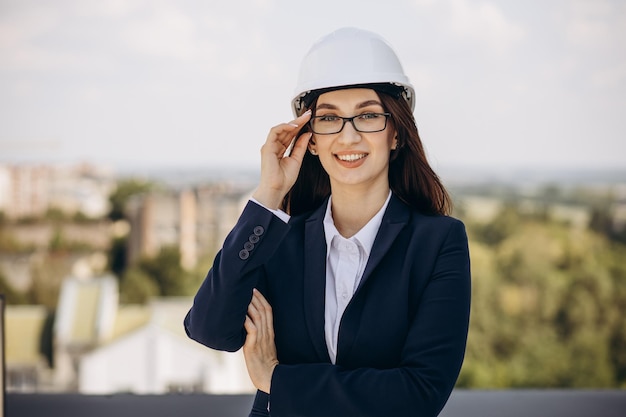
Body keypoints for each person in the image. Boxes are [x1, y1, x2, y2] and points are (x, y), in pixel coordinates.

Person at [184, 27, 471, 417]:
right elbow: (210, 328)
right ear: (311, 139)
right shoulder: (279, 241)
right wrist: (268, 194)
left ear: (396, 134)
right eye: (330, 119)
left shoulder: (438, 243)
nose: (348, 137)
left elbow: (419, 395)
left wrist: (276, 380)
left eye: (368, 116)